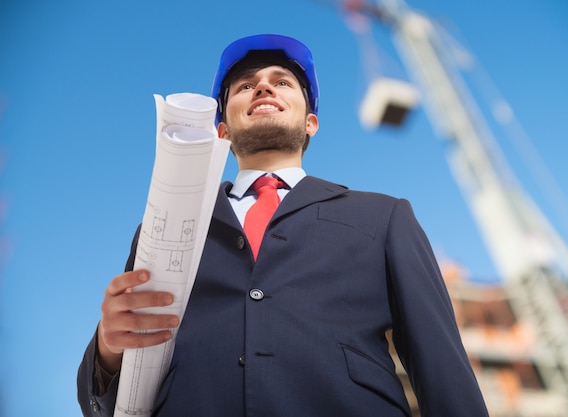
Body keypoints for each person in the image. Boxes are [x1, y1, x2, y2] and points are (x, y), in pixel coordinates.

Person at [77, 34, 489, 417]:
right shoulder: (165, 221)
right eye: (244, 86)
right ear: (222, 130)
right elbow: (113, 390)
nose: (263, 88)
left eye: (282, 82)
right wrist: (108, 348)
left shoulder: (384, 216)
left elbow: (441, 366)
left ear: (310, 122)